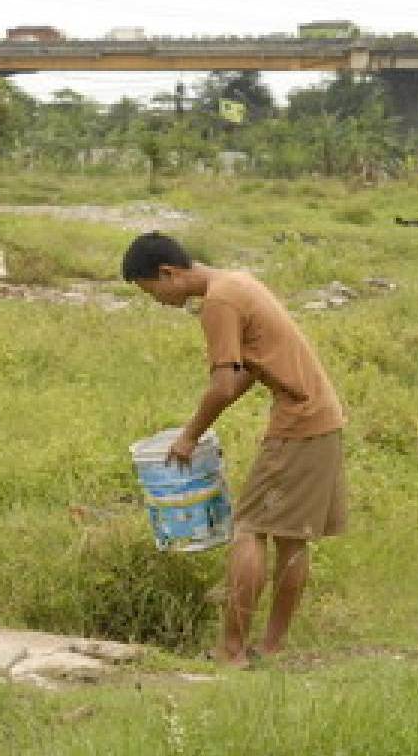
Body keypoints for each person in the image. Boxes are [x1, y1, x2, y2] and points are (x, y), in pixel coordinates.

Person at [121, 232, 347, 667]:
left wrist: (189, 435)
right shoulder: (238, 281)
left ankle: (231, 651)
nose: (156, 301)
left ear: (170, 273)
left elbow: (224, 383)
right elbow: (244, 373)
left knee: (248, 529)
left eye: (152, 291)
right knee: (291, 537)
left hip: (299, 422)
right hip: (322, 416)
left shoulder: (218, 302)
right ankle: (271, 648)